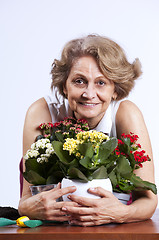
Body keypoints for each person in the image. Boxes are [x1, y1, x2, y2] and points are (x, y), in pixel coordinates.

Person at [18, 34, 157, 226]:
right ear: (64, 86)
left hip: (114, 230)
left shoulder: (125, 114)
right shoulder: (42, 112)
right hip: (57, 231)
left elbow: (149, 201)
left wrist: (121, 213)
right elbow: (25, 202)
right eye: (79, 81)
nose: (89, 94)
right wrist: (33, 208)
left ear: (115, 89)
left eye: (101, 83)